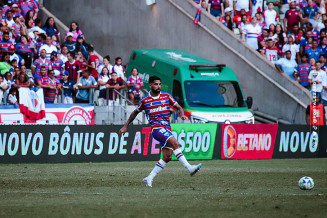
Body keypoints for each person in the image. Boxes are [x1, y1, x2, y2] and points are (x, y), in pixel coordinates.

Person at [119, 76, 202, 187]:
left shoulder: (166, 96)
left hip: (167, 128)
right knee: (175, 143)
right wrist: (125, 126)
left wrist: (182, 114)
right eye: (156, 84)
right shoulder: (145, 101)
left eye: (159, 84)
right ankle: (189, 168)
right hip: (156, 128)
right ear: (150, 85)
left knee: (167, 156)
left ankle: (149, 178)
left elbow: (178, 107)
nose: (158, 86)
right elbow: (134, 113)